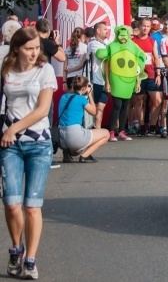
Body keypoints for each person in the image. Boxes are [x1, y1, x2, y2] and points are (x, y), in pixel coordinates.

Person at [1, 26, 58, 279]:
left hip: (38, 143)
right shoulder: (6, 71)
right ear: (16, 49)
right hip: (9, 144)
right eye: (29, 48)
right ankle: (16, 250)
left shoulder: (45, 71)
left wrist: (14, 128)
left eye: (37, 48)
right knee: (11, 204)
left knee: (31, 205)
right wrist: (8, 131)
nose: (34, 53)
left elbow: (42, 109)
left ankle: (31, 259)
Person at [97, 26, 147, 142]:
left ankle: (122, 131)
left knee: (125, 106)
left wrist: (138, 81)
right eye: (121, 37)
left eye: (125, 37)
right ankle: (111, 131)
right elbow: (106, 63)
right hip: (116, 80)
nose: (123, 39)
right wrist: (108, 83)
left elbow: (139, 60)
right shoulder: (112, 46)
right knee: (117, 106)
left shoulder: (133, 47)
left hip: (129, 81)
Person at [57, 76, 109, 163]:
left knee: (77, 148)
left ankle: (67, 151)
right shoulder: (81, 99)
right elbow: (93, 112)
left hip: (61, 136)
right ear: (84, 88)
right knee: (106, 134)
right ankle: (85, 156)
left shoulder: (63, 97)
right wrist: (89, 95)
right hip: (74, 135)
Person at [130, 18, 164, 136]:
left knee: (158, 100)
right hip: (138, 75)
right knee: (138, 101)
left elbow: (156, 58)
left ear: (150, 28)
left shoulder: (152, 41)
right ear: (140, 26)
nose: (145, 28)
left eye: (148, 26)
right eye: (144, 26)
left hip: (150, 74)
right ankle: (142, 125)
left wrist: (158, 74)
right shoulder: (133, 40)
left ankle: (153, 125)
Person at [63, 27, 87, 91]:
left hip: (69, 77)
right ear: (82, 36)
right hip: (80, 78)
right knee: (79, 99)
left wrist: (64, 81)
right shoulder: (85, 48)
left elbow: (64, 67)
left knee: (70, 98)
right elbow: (82, 65)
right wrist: (71, 70)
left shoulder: (68, 48)